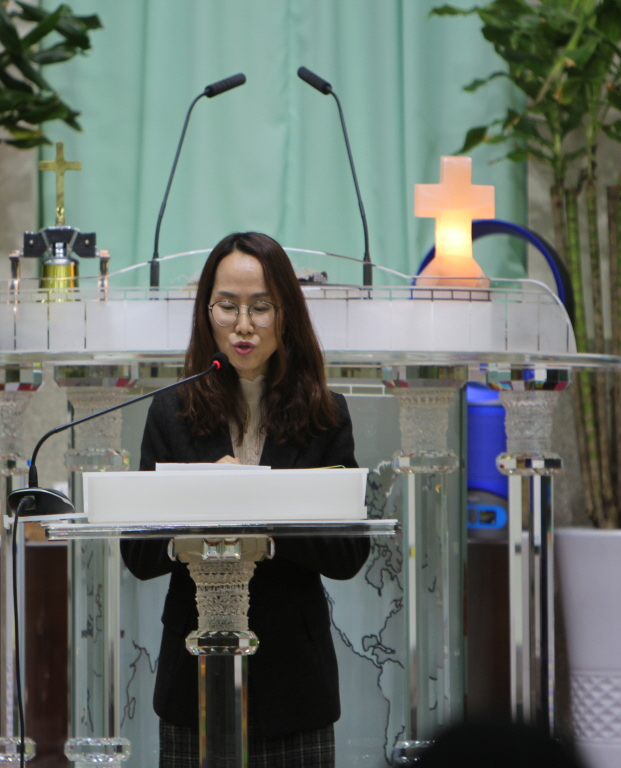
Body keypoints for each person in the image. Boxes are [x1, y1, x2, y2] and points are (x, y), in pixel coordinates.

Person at [121, 232, 370, 768]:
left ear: (286, 314)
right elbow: (137, 554)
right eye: (227, 306)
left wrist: (265, 521)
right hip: (193, 680)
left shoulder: (325, 414)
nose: (243, 325)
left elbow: (349, 553)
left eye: (261, 307)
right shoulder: (170, 412)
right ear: (206, 312)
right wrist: (196, 518)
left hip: (293, 681)